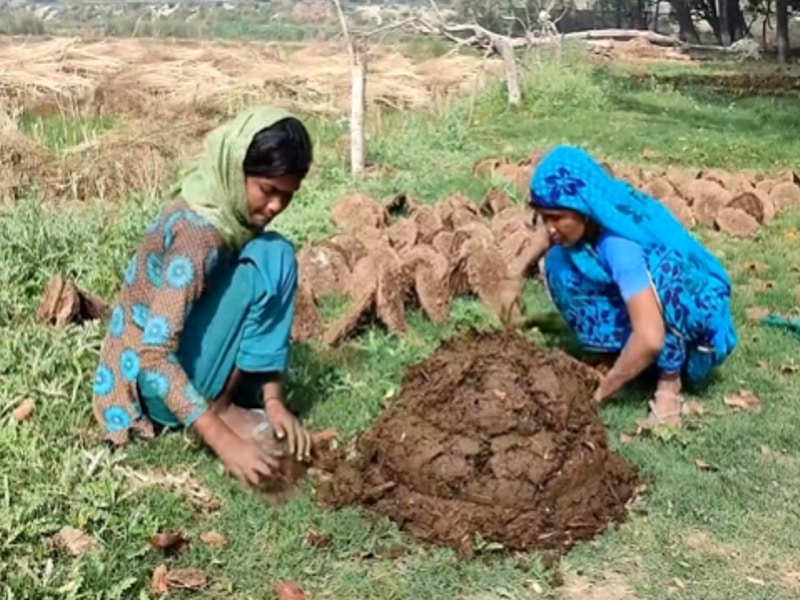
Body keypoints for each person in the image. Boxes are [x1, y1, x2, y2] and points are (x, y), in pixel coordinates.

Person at [91, 106, 314, 487]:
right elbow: (153, 356)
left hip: (183, 366)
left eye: (287, 195)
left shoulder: (226, 211)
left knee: (272, 254)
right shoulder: (198, 236)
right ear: (235, 169)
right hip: (155, 390)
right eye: (268, 190)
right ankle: (222, 410)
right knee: (272, 257)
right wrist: (225, 443)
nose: (276, 206)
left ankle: (247, 402)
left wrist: (273, 400)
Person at [526, 145, 738, 426]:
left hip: (694, 307)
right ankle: (613, 352)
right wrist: (513, 273)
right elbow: (550, 236)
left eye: (556, 218)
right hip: (641, 296)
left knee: (665, 283)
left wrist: (601, 393)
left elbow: (650, 336)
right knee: (559, 262)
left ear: (584, 210)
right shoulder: (592, 211)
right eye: (543, 216)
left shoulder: (618, 245)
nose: (548, 227)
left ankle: (669, 383)